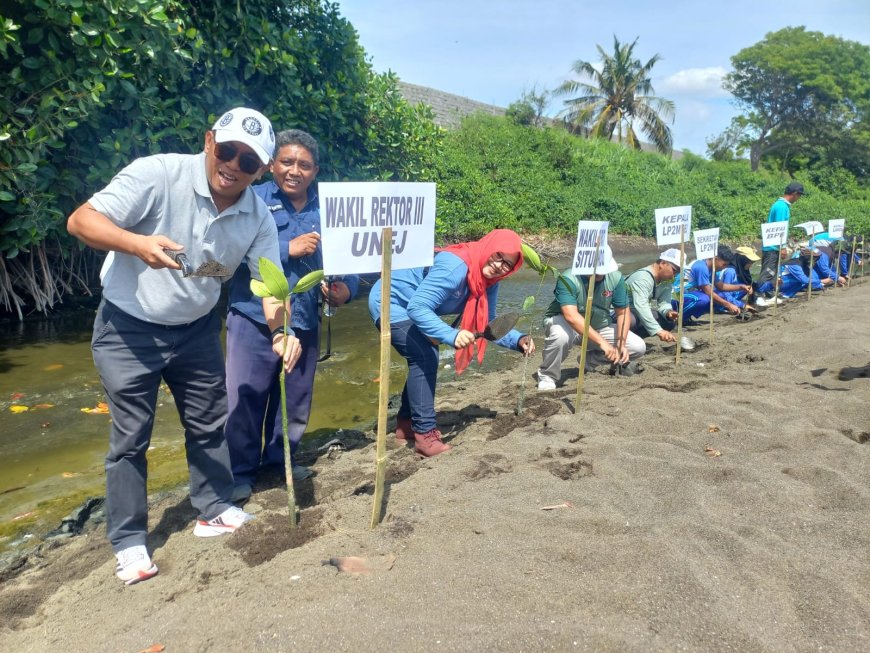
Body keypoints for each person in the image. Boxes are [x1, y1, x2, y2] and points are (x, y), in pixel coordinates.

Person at [67, 107, 302, 586]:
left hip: (195, 327)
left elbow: (270, 285)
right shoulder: (158, 174)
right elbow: (80, 221)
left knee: (209, 421)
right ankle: (129, 540)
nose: (235, 164)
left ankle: (214, 508)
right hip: (128, 325)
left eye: (250, 161)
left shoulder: (256, 214)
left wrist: (282, 330)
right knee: (131, 436)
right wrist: (136, 244)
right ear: (209, 140)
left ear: (261, 170)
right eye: (229, 150)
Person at [225, 129, 359, 501]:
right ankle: (240, 472)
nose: (294, 171)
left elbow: (352, 261)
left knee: (296, 398)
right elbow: (230, 254)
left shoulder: (332, 209)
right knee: (246, 395)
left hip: (305, 319)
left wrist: (346, 290)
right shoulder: (249, 199)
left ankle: (280, 459)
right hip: (253, 316)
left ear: (315, 171)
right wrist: (288, 248)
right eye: (287, 162)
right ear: (271, 165)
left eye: (304, 165)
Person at [368, 229, 535, 457]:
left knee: (425, 355)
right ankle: (425, 435)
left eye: (507, 264)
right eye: (498, 256)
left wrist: (519, 340)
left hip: (414, 307)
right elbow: (417, 307)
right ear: (488, 248)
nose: (499, 266)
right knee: (425, 356)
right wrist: (452, 335)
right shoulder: (455, 267)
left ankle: (406, 425)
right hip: (391, 301)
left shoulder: (489, 281)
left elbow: (487, 325)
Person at [537, 245, 645, 390]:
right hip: (566, 325)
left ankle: (589, 361)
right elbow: (571, 316)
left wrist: (621, 342)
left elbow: (623, 312)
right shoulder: (568, 279)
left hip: (598, 324)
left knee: (637, 346)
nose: (599, 275)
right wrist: (602, 343)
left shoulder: (616, 278)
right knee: (559, 336)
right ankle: (548, 376)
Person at [625, 248, 683, 344]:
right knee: (630, 320)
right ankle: (621, 340)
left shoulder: (666, 280)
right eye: (674, 271)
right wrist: (658, 331)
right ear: (663, 263)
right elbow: (641, 306)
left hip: (642, 310)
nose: (675, 276)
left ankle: (634, 340)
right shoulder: (643, 278)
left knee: (668, 321)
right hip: (622, 312)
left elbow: (663, 302)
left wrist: (668, 312)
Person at [757, 182, 803, 295]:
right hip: (773, 246)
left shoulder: (780, 205)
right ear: (795, 194)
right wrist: (782, 247)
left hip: (773, 245)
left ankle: (768, 292)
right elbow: (779, 228)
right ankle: (758, 294)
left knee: (772, 272)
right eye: (799, 195)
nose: (799, 198)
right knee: (768, 272)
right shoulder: (782, 207)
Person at [676, 245, 741, 322]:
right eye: (724, 264)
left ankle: (687, 316)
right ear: (716, 259)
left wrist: (741, 287)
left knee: (721, 295)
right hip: (677, 294)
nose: (724, 267)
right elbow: (707, 291)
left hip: (690, 293)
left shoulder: (712, 269)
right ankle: (679, 318)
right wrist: (728, 304)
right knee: (704, 299)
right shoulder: (701, 267)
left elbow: (721, 286)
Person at [715, 246, 759, 310]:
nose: (751, 265)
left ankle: (732, 304)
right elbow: (725, 293)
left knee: (748, 286)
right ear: (743, 260)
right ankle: (725, 306)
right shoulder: (730, 271)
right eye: (750, 262)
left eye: (753, 263)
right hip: (720, 300)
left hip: (728, 297)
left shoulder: (742, 271)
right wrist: (742, 305)